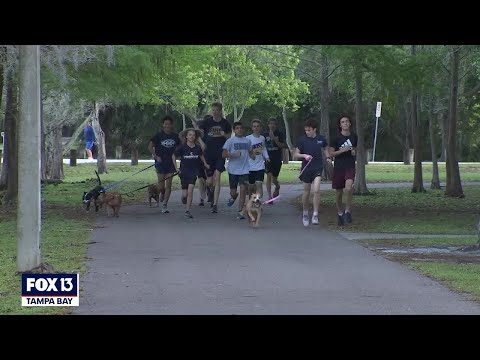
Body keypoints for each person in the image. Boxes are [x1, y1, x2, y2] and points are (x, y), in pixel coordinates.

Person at [293, 118, 331, 227]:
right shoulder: (302, 140)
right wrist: (304, 155)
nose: (307, 132)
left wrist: (328, 157)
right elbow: (296, 154)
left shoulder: (321, 139)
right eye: (306, 130)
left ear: (314, 129)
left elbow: (325, 148)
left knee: (317, 190)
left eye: (309, 130)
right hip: (306, 169)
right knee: (306, 192)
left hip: (317, 168)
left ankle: (315, 214)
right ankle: (305, 213)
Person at [198, 102, 232, 213]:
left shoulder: (225, 123)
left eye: (216, 110)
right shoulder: (207, 122)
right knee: (209, 181)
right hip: (208, 153)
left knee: (217, 178)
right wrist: (201, 143)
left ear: (221, 110)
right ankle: (210, 190)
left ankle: (215, 204)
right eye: (213, 110)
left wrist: (223, 134)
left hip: (220, 154)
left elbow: (229, 137)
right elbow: (196, 132)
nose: (215, 112)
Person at [173, 128, 210, 219]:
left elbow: (201, 155)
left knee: (191, 190)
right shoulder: (182, 147)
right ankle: (183, 198)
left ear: (195, 137)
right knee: (185, 194)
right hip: (184, 172)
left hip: (194, 172)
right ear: (186, 136)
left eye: (193, 135)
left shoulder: (197, 147)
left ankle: (187, 210)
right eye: (190, 135)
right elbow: (173, 156)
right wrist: (176, 168)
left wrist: (205, 163)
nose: (192, 136)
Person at [329, 115, 358, 226]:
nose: (345, 123)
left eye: (347, 121)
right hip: (339, 167)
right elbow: (331, 153)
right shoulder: (336, 138)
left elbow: (354, 149)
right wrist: (341, 151)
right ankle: (340, 213)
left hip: (350, 166)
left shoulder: (354, 136)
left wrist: (354, 152)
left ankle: (348, 211)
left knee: (348, 188)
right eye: (343, 122)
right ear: (340, 125)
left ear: (350, 124)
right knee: (339, 192)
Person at [148, 115, 180, 214]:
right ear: (163, 125)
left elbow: (180, 147)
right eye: (165, 124)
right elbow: (150, 146)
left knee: (169, 185)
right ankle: (159, 192)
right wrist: (155, 156)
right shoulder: (158, 135)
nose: (167, 125)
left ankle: (165, 204)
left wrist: (178, 156)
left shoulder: (175, 136)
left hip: (171, 163)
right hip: (161, 162)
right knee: (161, 186)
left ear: (171, 125)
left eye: (169, 124)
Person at [222, 122, 254, 220]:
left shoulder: (247, 141)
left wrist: (253, 156)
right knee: (233, 192)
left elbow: (251, 152)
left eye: (241, 128)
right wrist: (233, 155)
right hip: (233, 170)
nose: (239, 130)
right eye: (237, 128)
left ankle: (240, 211)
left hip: (245, 170)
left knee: (243, 189)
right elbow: (224, 154)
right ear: (234, 130)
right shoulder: (230, 141)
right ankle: (233, 197)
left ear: (243, 130)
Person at [263, 117, 287, 202]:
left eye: (274, 123)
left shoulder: (280, 134)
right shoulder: (264, 134)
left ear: (276, 125)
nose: (272, 125)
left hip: (277, 158)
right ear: (268, 124)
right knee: (268, 176)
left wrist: (275, 140)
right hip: (268, 159)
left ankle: (277, 186)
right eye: (270, 123)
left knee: (274, 179)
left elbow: (283, 146)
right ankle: (270, 197)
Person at [246, 119, 269, 199]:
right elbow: (245, 151)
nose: (256, 128)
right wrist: (252, 152)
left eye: (258, 126)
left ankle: (257, 201)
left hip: (260, 166)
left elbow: (263, 148)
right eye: (254, 126)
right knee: (251, 187)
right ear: (252, 128)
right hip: (250, 166)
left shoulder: (262, 138)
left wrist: (267, 157)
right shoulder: (248, 138)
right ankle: (250, 202)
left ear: (260, 128)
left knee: (259, 184)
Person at [193, 115, 211, 207]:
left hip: (208, 160)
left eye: (201, 130)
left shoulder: (208, 137)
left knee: (209, 180)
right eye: (198, 130)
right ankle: (201, 198)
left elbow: (205, 148)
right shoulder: (194, 138)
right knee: (200, 179)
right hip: (199, 161)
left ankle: (209, 190)